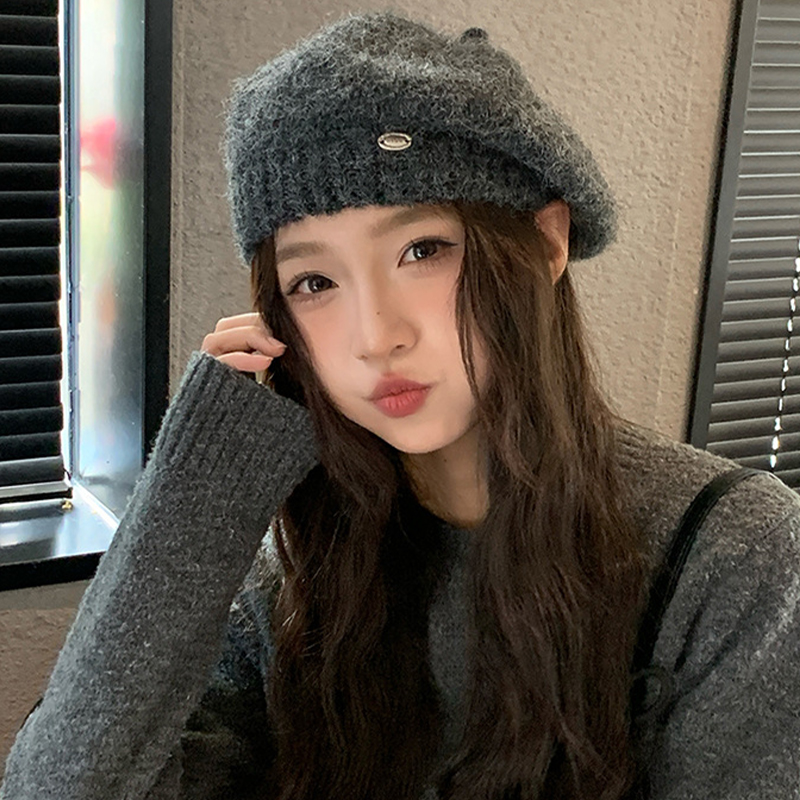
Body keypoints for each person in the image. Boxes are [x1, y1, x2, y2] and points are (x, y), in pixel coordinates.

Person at [2, 9, 799, 800]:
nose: (375, 336)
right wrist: (190, 494)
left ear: (547, 242)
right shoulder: (296, 576)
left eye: (423, 250)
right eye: (314, 282)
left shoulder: (736, 560)